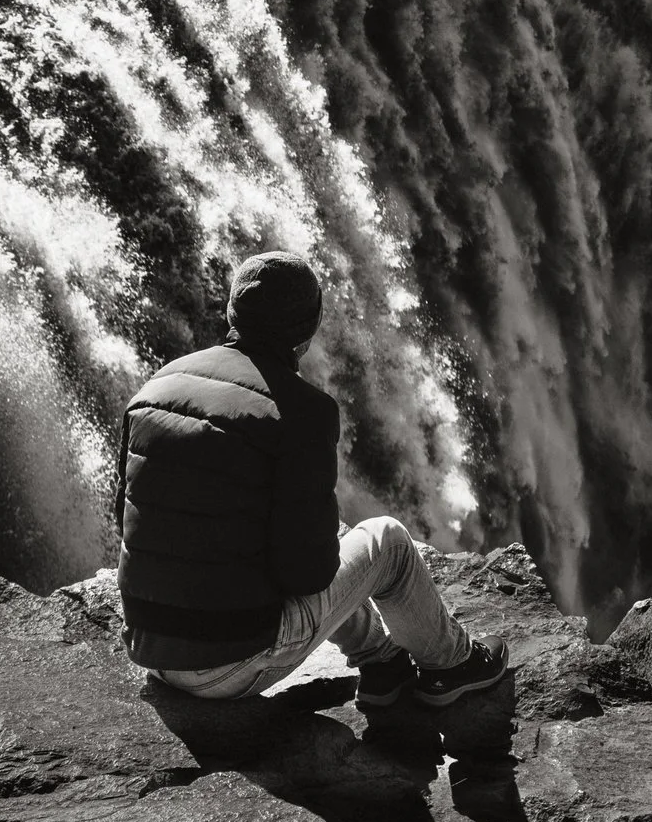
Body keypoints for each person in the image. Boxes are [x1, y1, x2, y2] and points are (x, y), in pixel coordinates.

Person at [114, 250, 506, 711]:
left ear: (231, 311)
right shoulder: (302, 413)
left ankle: (383, 663)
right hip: (230, 665)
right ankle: (454, 666)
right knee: (388, 543)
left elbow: (132, 522)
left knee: (311, 535)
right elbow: (309, 573)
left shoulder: (155, 389)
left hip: (148, 649)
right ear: (308, 330)